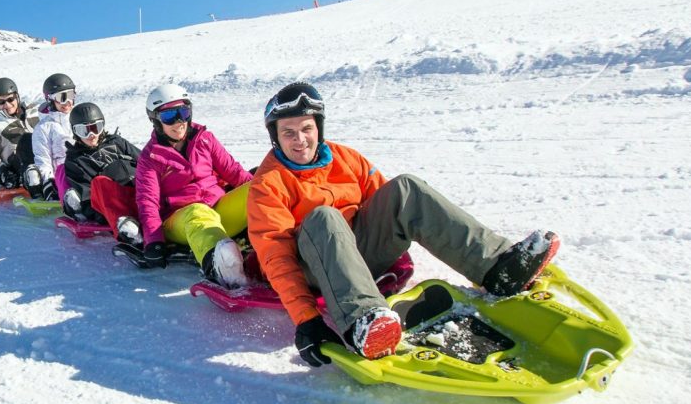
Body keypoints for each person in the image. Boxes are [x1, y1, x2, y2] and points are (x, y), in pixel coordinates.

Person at [246, 82, 559, 365]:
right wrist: (306, 319)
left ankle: (496, 267)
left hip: (356, 253)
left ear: (319, 128)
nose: (300, 140)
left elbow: (387, 206)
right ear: (276, 137)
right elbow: (276, 256)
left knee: (405, 188)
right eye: (288, 132)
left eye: (306, 128)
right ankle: (363, 322)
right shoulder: (268, 183)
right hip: (314, 268)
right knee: (324, 216)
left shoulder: (346, 158)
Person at [134, 84, 253, 286]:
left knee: (258, 188)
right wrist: (154, 240)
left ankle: (290, 241)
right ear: (155, 120)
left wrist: (260, 188)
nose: (180, 121)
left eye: (184, 111)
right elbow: (148, 202)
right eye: (170, 116)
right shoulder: (150, 157)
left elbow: (234, 172)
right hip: (180, 220)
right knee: (197, 211)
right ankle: (221, 266)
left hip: (217, 211)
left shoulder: (204, 139)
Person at [61, 102, 143, 244]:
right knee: (100, 182)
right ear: (75, 132)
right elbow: (88, 198)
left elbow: (145, 162)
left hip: (142, 191)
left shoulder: (117, 142)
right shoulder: (76, 160)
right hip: (117, 202)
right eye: (84, 131)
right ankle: (129, 231)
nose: (92, 135)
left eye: (95, 128)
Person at [0, 77, 40, 190]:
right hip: (18, 164)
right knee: (26, 141)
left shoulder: (35, 111)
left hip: (45, 157)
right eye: (1, 102)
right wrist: (3, 171)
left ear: (17, 97)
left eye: (11, 99)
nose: (7, 104)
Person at [25, 73, 76, 201]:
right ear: (50, 99)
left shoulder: (78, 119)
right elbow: (43, 160)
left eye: (70, 95)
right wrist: (49, 183)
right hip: (61, 177)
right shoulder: (43, 128)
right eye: (62, 97)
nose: (68, 102)